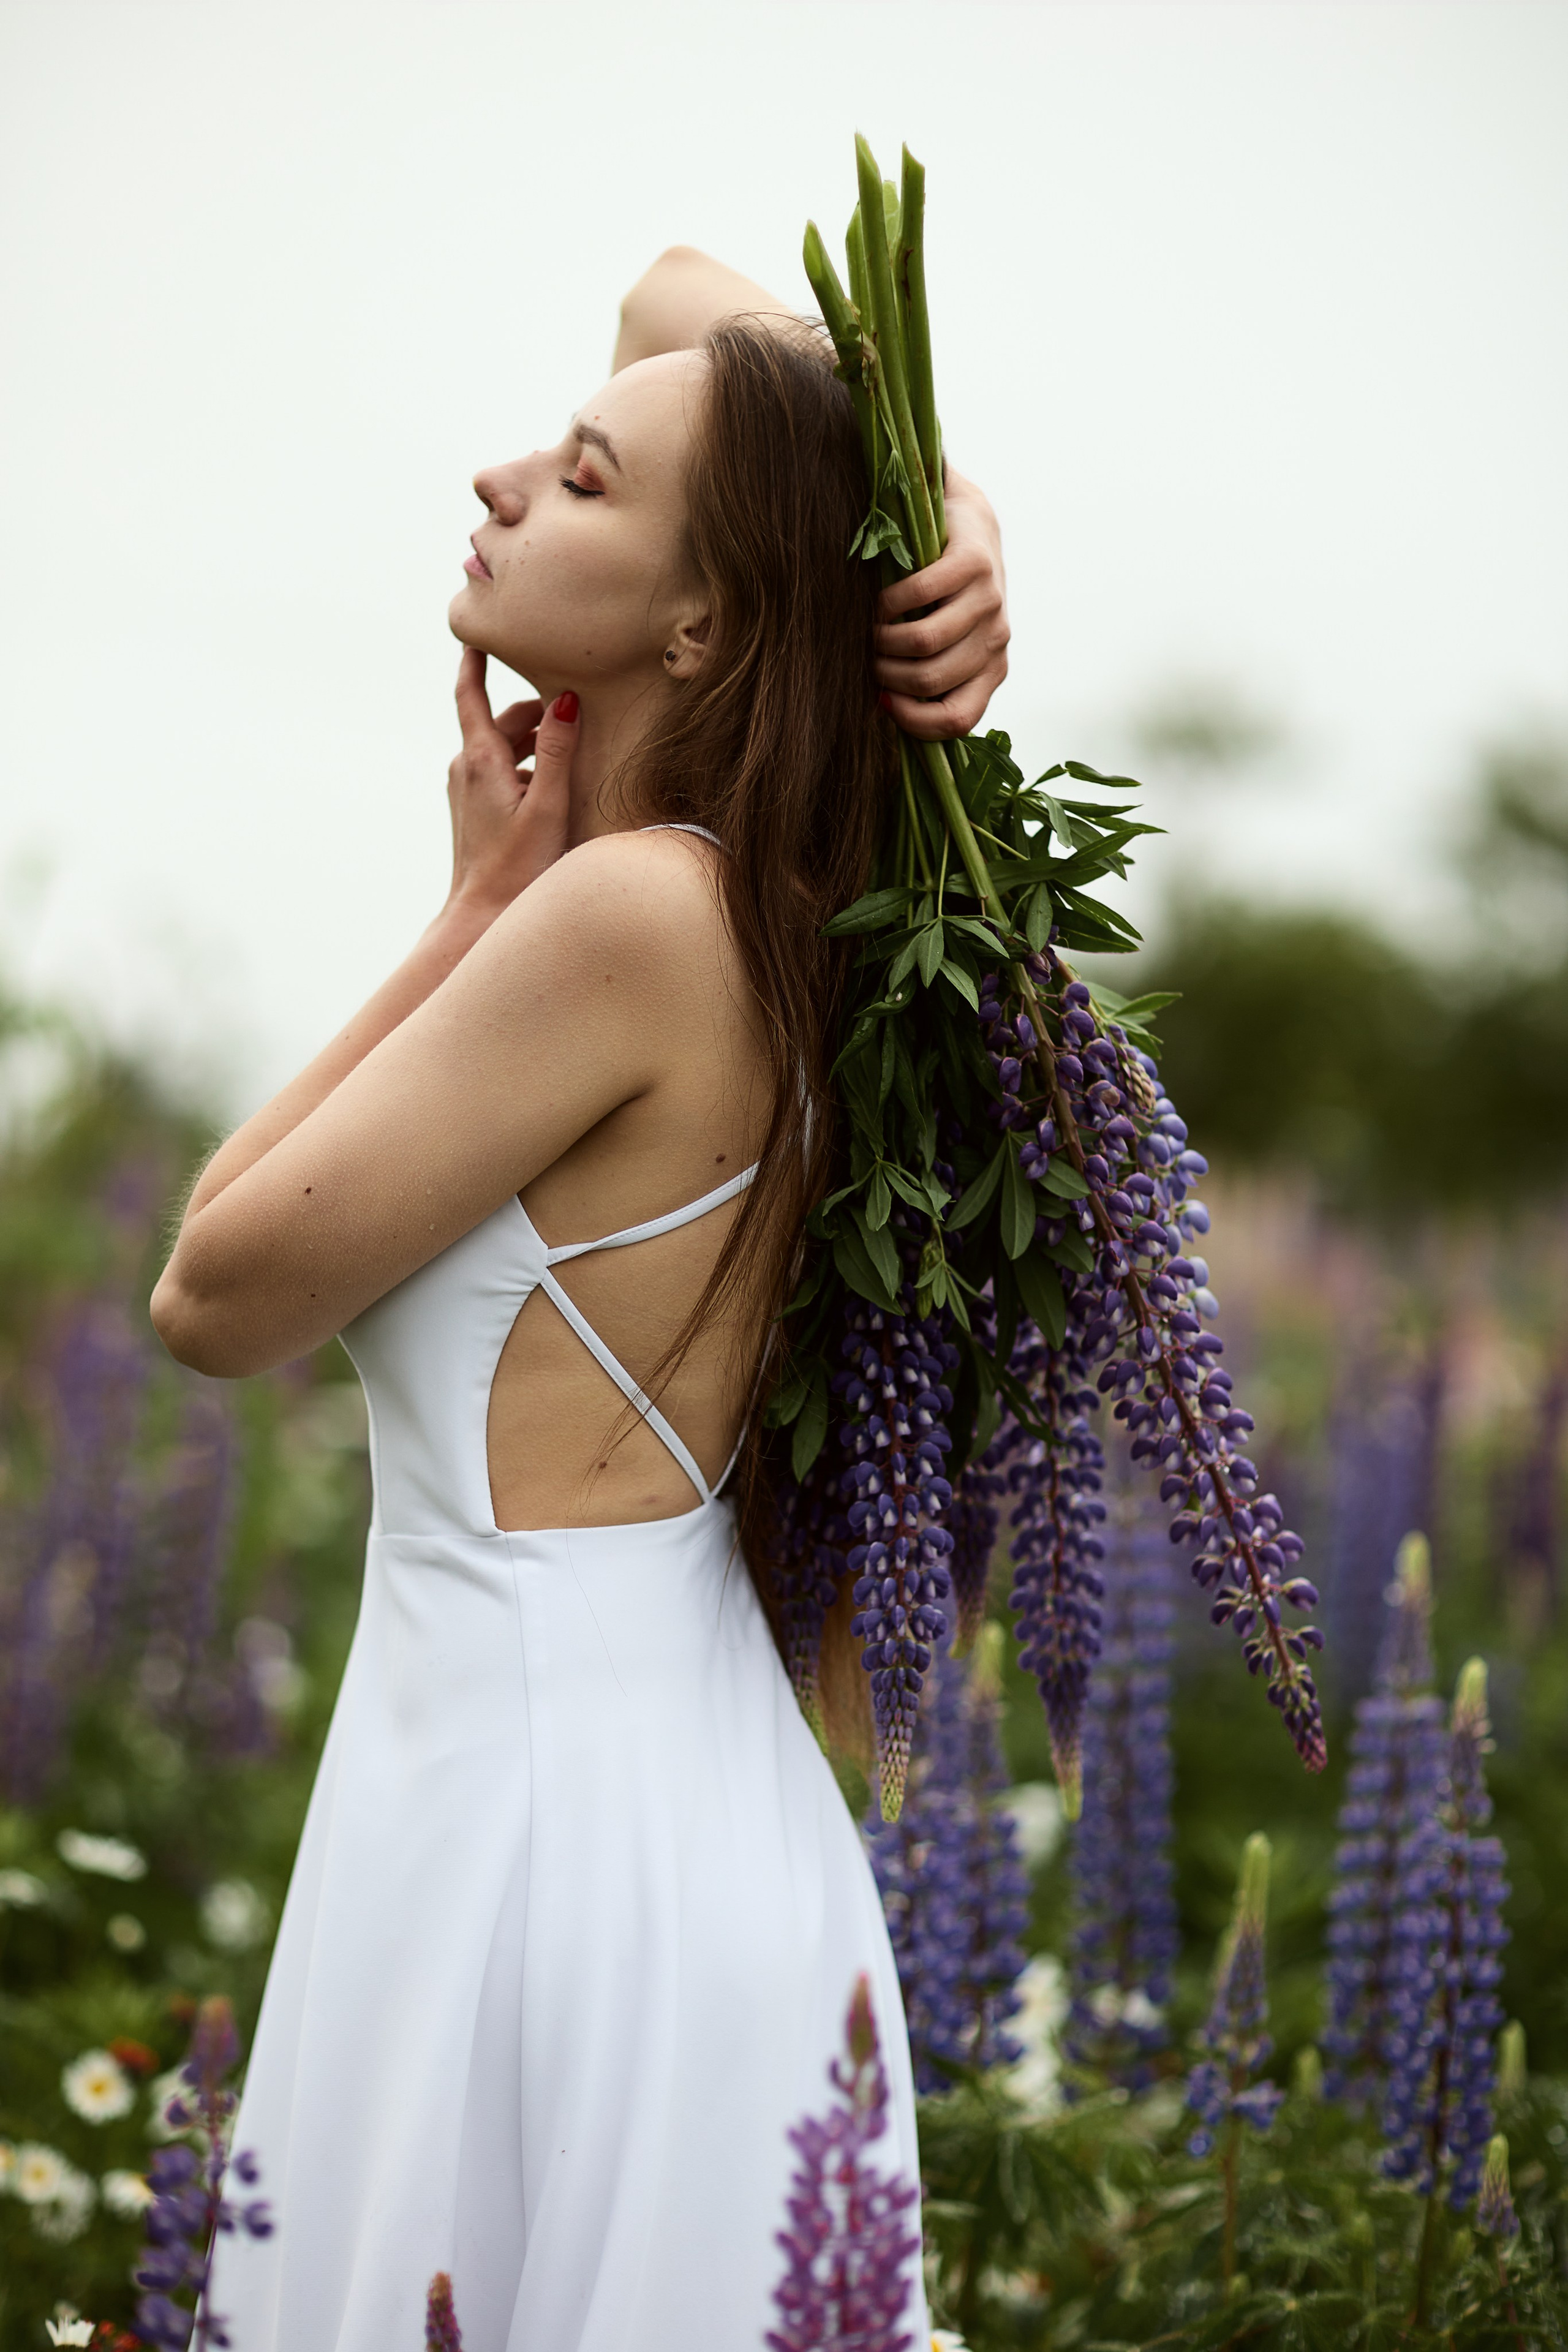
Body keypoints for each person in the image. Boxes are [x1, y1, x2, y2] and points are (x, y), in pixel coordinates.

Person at [153, 246, 1010, 2350]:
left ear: (701, 620)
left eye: (591, 480)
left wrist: (465, 906)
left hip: (529, 1830)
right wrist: (950, 506)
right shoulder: (774, 908)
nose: (509, 473)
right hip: (654, 1796)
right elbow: (683, 296)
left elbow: (212, 1285)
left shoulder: (629, 911)